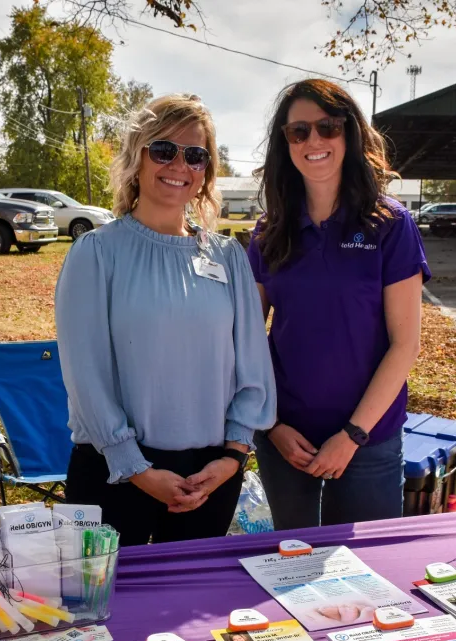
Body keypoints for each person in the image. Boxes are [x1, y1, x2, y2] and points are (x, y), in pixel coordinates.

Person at [56, 94, 276, 546]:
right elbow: (85, 374)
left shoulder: (229, 257)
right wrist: (135, 467)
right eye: (164, 150)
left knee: (189, 616)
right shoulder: (96, 253)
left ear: (206, 171)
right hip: (113, 472)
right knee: (105, 615)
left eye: (195, 155)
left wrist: (233, 456)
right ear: (137, 156)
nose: (179, 164)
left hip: (209, 477)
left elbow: (253, 366)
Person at [248, 79, 431, 529]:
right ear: (285, 144)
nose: (314, 140)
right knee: (292, 568)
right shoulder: (269, 232)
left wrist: (351, 436)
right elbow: (247, 341)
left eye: (327, 127)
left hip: (368, 441)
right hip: (286, 438)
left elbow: (405, 344)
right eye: (299, 132)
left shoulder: (390, 225)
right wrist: (271, 426)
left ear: (349, 133)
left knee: (366, 581)